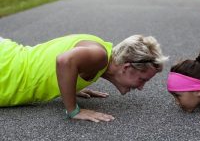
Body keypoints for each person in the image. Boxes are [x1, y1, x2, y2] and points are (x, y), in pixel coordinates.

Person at [0, 34, 168, 122]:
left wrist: (69, 85)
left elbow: (60, 62)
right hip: (6, 70)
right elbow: (64, 60)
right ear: (126, 67)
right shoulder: (99, 55)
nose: (141, 87)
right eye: (143, 79)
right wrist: (73, 110)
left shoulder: (101, 53)